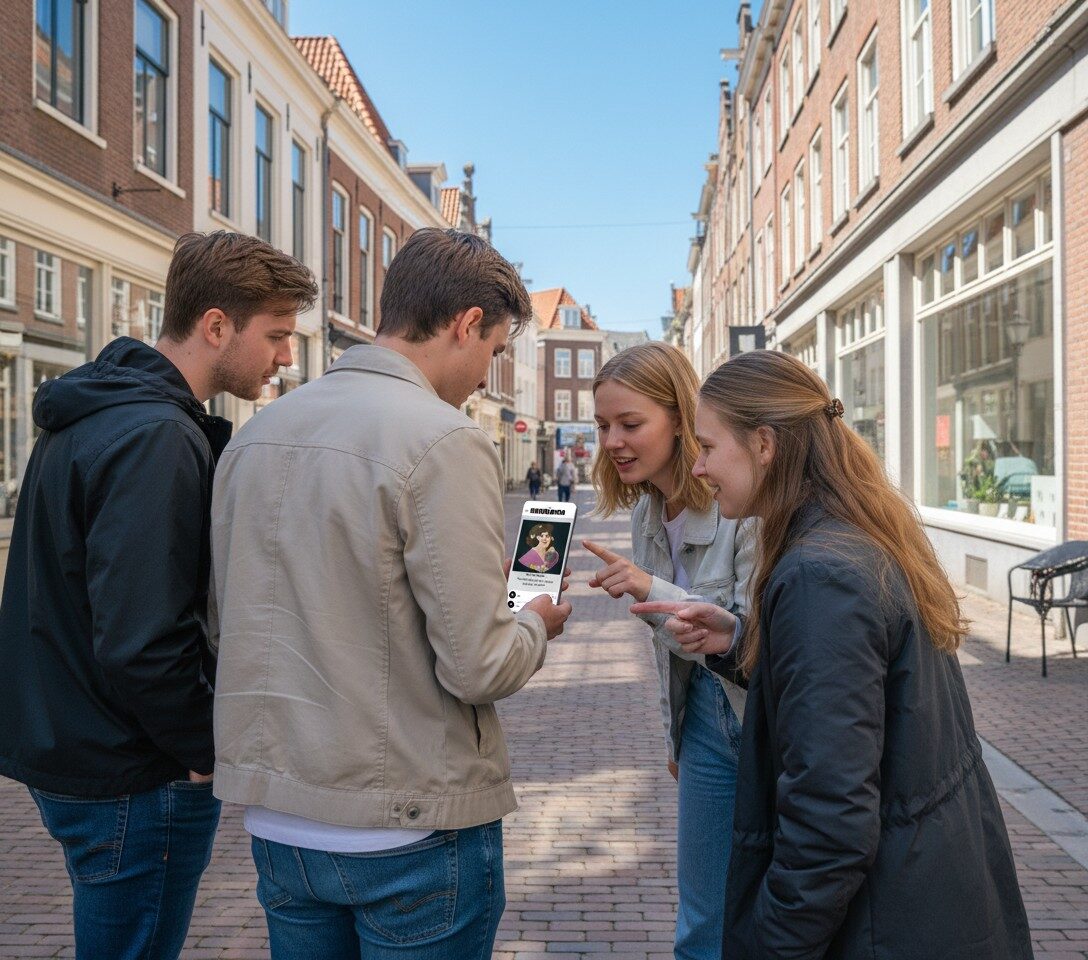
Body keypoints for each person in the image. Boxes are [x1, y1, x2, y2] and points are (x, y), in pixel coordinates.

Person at [210, 228, 572, 960]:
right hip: (408, 826)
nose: (484, 374)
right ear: (467, 323)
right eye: (494, 351)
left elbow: (229, 623)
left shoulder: (252, 438)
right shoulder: (444, 440)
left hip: (281, 821)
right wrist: (535, 621)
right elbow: (478, 666)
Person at [633, 350, 1033, 960]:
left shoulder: (819, 575)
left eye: (710, 447)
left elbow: (828, 822)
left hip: (885, 922)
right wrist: (741, 641)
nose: (699, 465)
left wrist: (772, 945)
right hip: (926, 893)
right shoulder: (856, 536)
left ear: (764, 444)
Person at [0, 231, 317, 960]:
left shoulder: (96, 412)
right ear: (215, 326)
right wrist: (204, 747)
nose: (286, 357)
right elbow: (145, 634)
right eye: (275, 335)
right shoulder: (155, 436)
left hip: (75, 744)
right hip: (134, 771)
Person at [582, 341, 753, 960]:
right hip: (704, 717)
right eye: (603, 425)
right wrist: (676, 736)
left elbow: (753, 631)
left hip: (763, 716)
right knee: (702, 914)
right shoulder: (647, 513)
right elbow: (670, 650)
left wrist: (651, 587)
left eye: (631, 424)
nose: (612, 441)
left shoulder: (743, 506)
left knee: (775, 900)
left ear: (681, 418)